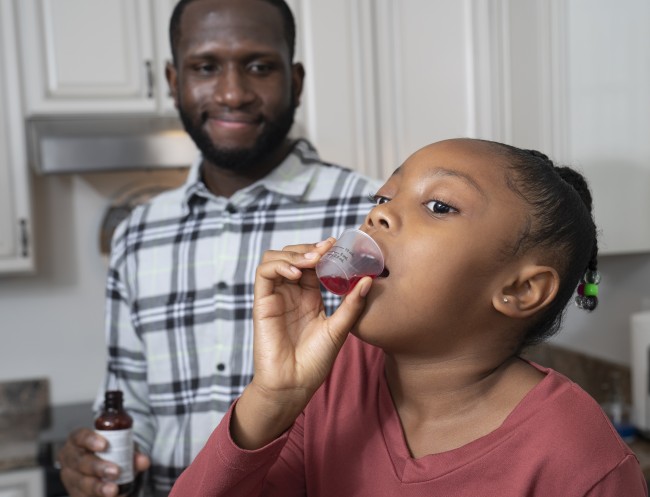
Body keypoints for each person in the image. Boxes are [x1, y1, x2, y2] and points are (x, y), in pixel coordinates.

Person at [169, 138, 648, 497]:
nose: (378, 217)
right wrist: (274, 396)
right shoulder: (337, 376)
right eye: (383, 198)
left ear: (520, 289)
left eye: (439, 206)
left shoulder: (582, 462)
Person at [56, 0, 380, 496]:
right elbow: (132, 408)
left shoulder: (371, 216)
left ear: (295, 81)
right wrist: (101, 465)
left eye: (259, 66)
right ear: (173, 80)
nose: (233, 93)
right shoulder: (137, 234)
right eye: (206, 67)